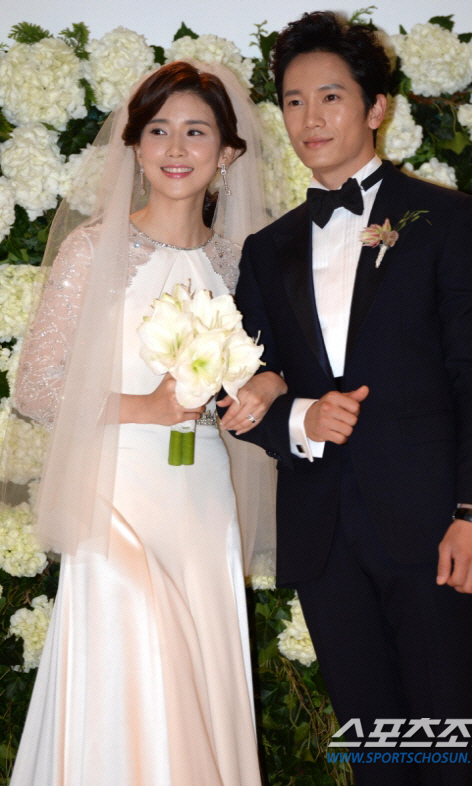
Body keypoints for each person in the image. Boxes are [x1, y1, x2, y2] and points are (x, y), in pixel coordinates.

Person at [226, 12, 472, 786]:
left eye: (330, 97)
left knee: (453, 747)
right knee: (380, 756)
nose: (310, 119)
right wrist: (299, 417)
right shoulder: (266, 250)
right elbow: (241, 389)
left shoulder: (446, 219)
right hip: (322, 538)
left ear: (376, 107)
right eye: (294, 102)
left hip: (431, 526)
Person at [7, 61, 285, 786]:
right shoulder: (94, 249)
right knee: (136, 654)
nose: (176, 148)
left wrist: (267, 382)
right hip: (115, 497)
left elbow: (277, 367)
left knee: (196, 670)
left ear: (228, 152)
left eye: (197, 131)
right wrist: (149, 408)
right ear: (133, 146)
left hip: (201, 502)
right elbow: (35, 385)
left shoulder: (240, 262)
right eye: (158, 130)